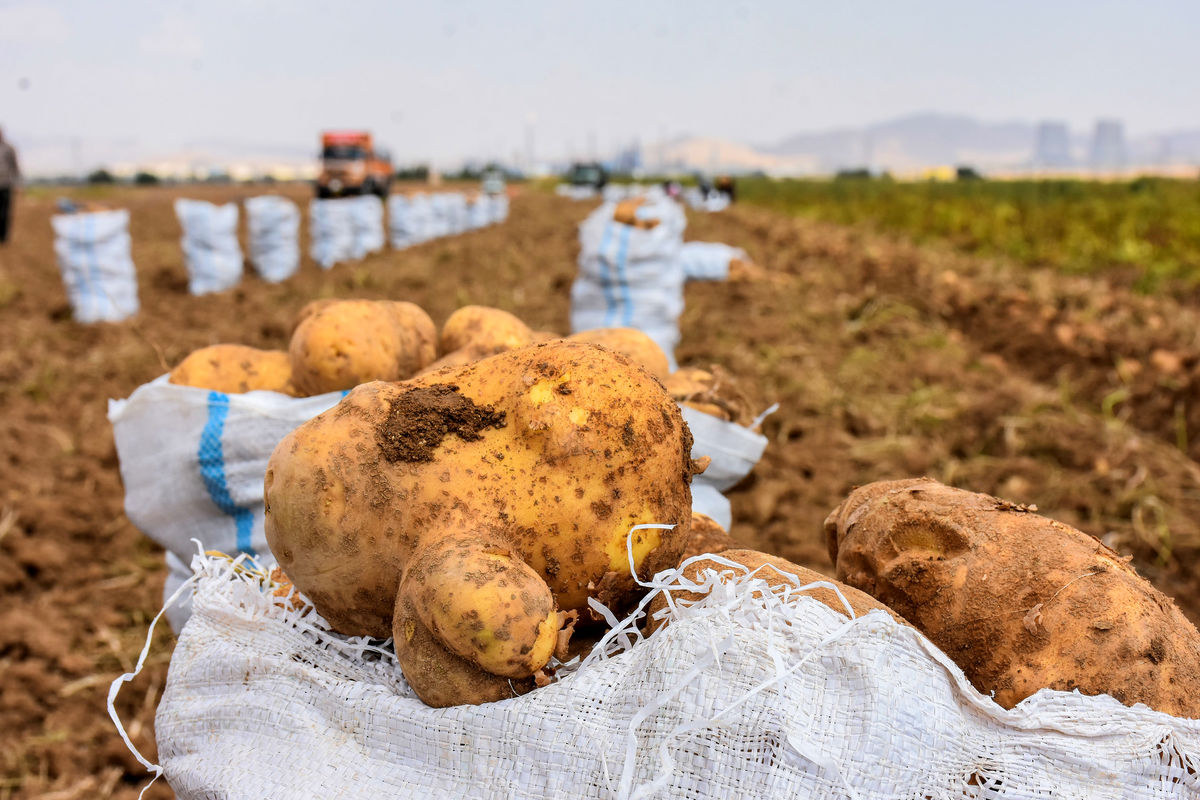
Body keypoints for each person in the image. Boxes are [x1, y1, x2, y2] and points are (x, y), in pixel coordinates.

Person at [0, 127, 19, 245]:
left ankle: (4, 236)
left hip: (6, 184)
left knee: (5, 211)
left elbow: (15, 166)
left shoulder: (9, 148)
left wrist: (17, 184)